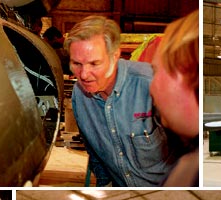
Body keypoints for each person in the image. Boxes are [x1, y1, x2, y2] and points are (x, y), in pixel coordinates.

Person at [66, 16, 177, 187]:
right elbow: (95, 153)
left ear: (115, 55)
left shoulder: (153, 85)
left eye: (94, 63)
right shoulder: (80, 95)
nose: (84, 74)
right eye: (77, 63)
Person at [149, 10, 198, 187]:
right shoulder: (190, 165)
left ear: (183, 71)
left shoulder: (191, 170)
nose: (151, 86)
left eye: (154, 71)